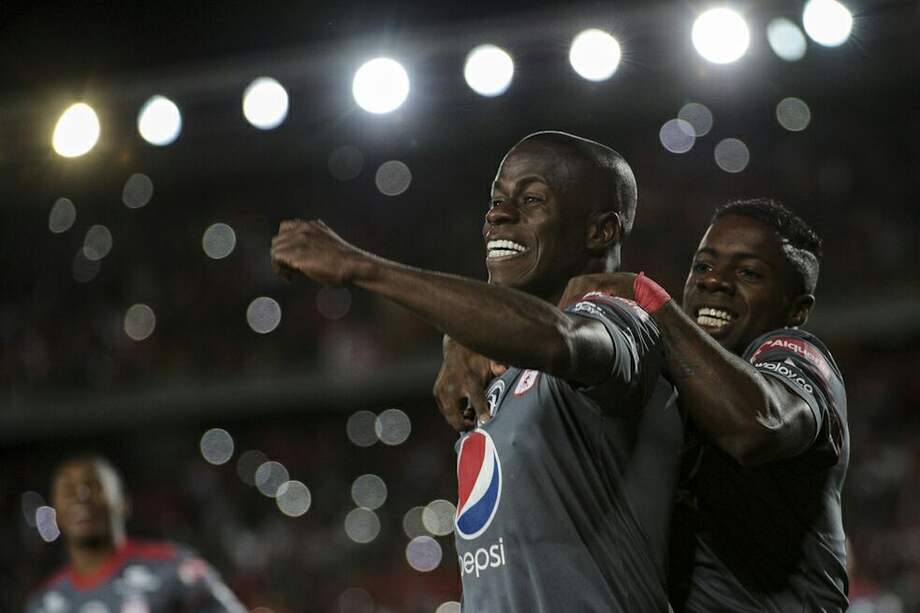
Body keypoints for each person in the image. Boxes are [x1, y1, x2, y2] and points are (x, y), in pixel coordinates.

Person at [271, 131, 683, 611]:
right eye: (496, 200)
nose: (498, 215)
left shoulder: (624, 323)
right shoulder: (498, 366)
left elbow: (561, 339)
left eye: (530, 200)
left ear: (601, 232)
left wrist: (361, 267)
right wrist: (463, 339)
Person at [438, 198, 850, 611]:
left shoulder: (791, 357)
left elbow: (758, 426)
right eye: (703, 266)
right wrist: (465, 338)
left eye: (749, 273)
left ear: (796, 309)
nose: (715, 282)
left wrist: (648, 299)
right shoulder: (668, 377)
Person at [25, 455, 246, 613]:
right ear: (55, 512)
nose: (81, 496)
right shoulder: (44, 603)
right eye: (67, 490)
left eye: (94, 486)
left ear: (123, 504)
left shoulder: (176, 570)